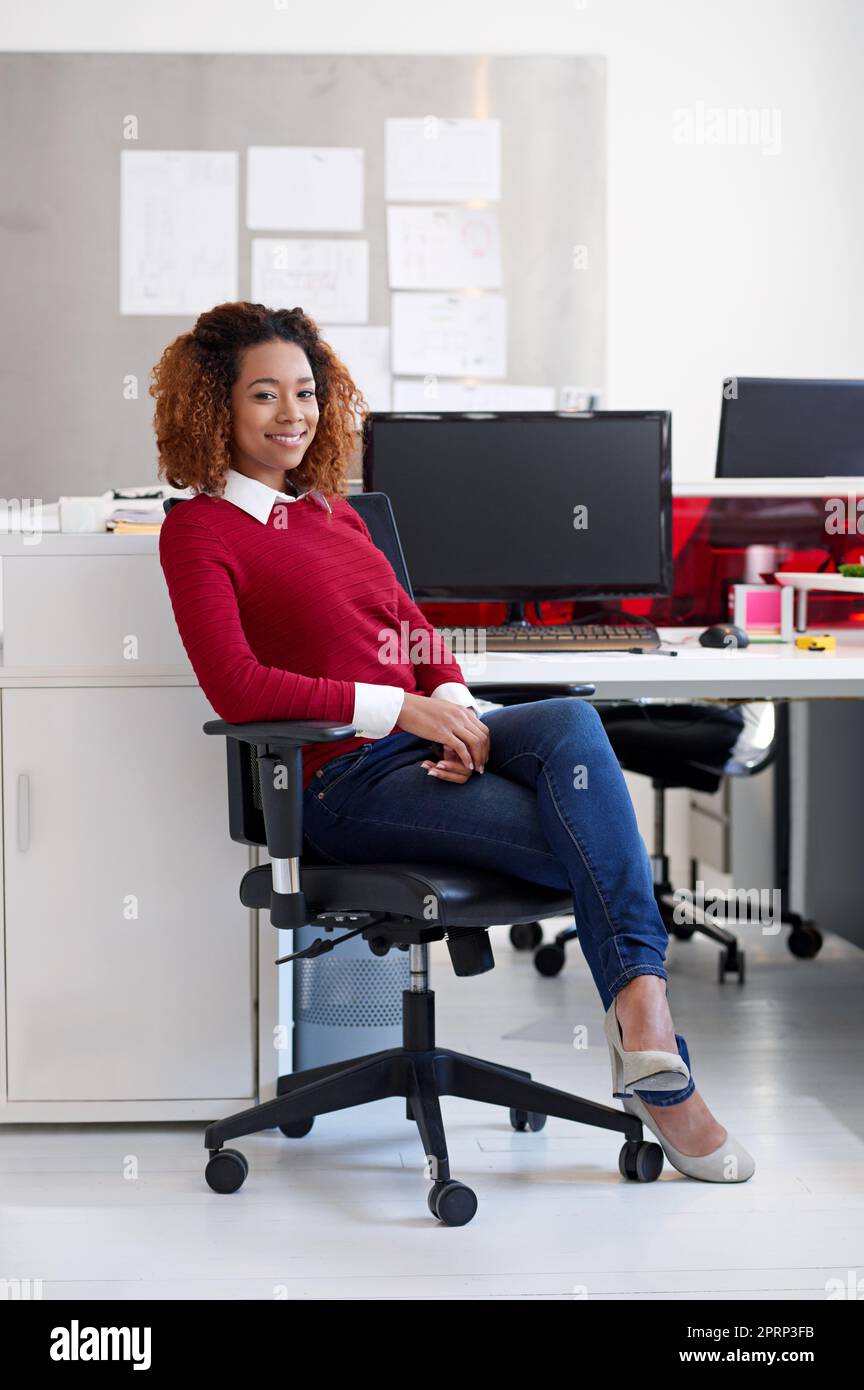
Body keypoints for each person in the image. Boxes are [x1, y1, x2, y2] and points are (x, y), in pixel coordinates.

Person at [154, 301, 754, 1184]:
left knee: (569, 719)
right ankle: (658, 1065)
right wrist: (401, 712)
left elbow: (415, 630)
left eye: (307, 391)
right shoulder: (198, 529)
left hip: (425, 745)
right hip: (342, 780)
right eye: (265, 395)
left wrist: (459, 713)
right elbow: (238, 685)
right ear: (217, 407)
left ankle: (644, 1026)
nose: (294, 412)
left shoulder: (333, 514)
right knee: (591, 839)